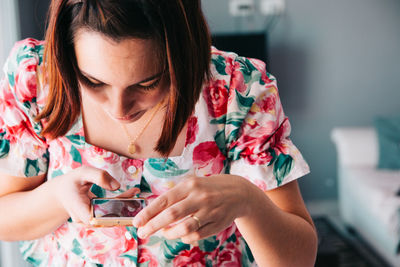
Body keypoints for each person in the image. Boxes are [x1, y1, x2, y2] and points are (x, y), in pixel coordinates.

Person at [0, 0, 318, 266]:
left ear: (183, 54)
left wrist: (248, 202)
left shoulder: (238, 89)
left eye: (147, 83)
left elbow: (300, 259)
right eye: (93, 81)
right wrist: (56, 197)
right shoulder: (35, 78)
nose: (119, 109)